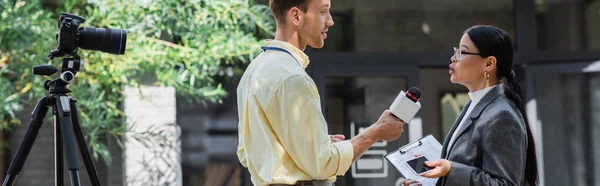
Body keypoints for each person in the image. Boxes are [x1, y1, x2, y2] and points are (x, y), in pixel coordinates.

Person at [236, 0, 406, 186]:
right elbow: (322, 164)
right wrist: (376, 132)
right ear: (296, 16)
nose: (331, 21)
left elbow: (245, 153)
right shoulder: (293, 78)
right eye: (323, 11)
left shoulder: (253, 71)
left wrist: (311, 146)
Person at [403, 25, 538, 186]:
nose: (454, 58)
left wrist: (451, 170)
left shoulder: (502, 115)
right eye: (455, 51)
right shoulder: (476, 105)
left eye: (462, 52)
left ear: (489, 63)